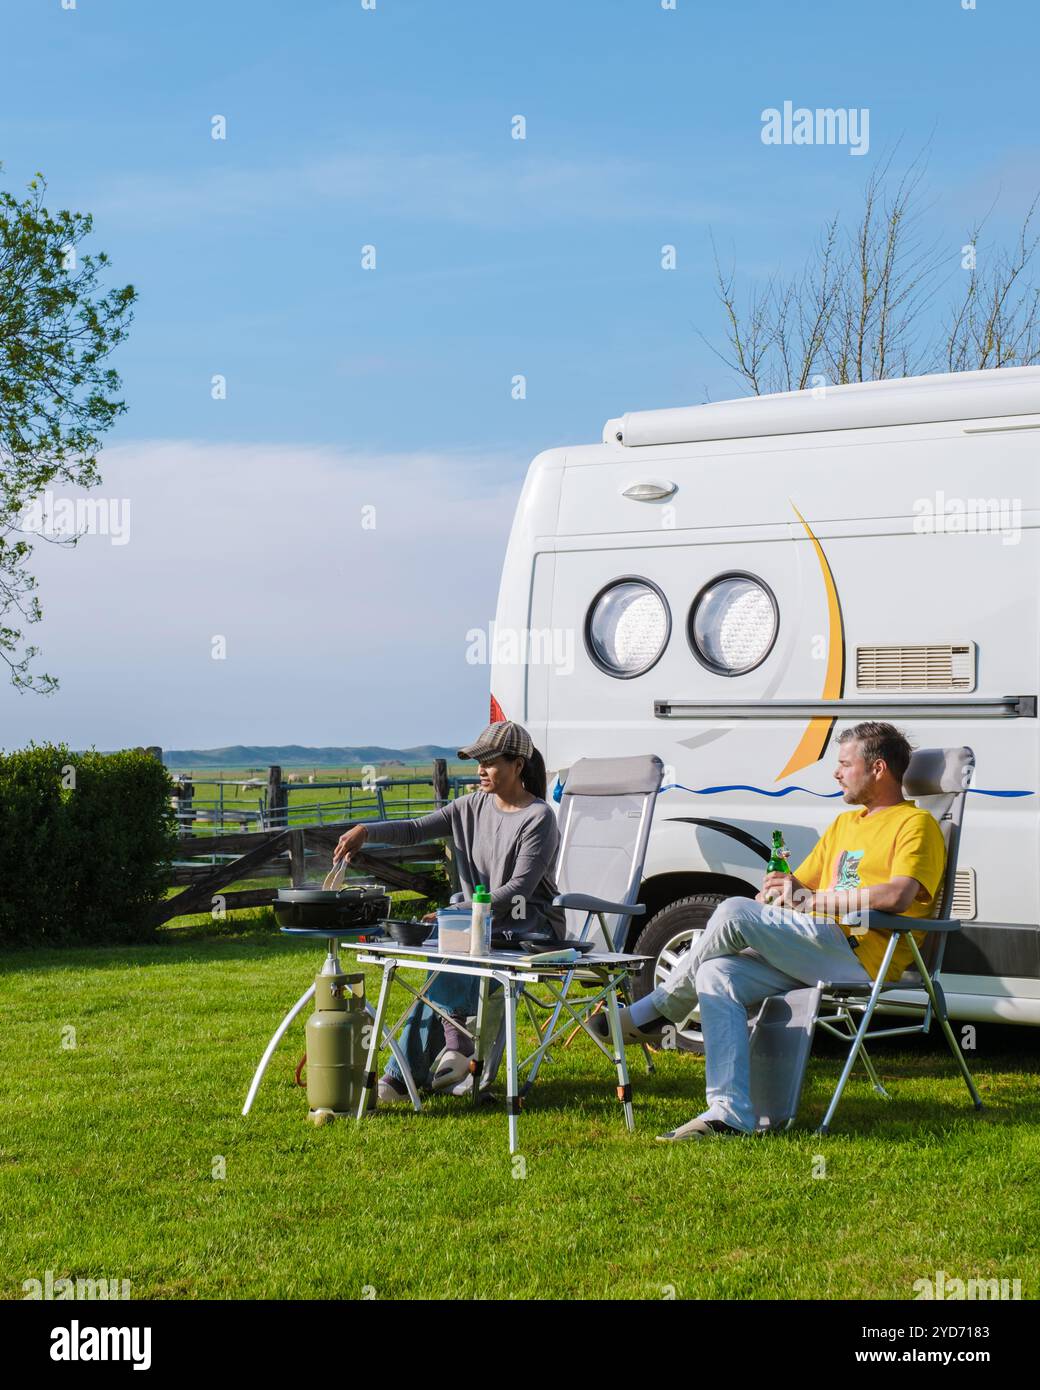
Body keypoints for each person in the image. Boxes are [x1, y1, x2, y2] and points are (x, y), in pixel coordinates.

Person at [600, 721, 946, 1141]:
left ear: (877, 768)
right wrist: (783, 892)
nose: (836, 773)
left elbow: (898, 894)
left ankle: (657, 1010)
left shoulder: (916, 825)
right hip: (816, 946)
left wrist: (810, 902)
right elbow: (801, 885)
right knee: (717, 974)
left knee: (733, 911)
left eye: (843, 764)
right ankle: (728, 1114)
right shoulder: (844, 825)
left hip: (861, 955)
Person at [333, 721, 563, 1104]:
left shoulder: (539, 818)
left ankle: (406, 1075)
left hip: (528, 931)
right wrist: (366, 831)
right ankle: (425, 1064)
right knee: (444, 951)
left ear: (518, 765)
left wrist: (454, 910)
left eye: (489, 762)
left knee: (452, 950)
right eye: (477, 762)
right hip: (475, 926)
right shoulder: (470, 806)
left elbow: (517, 891)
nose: (480, 770)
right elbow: (413, 829)